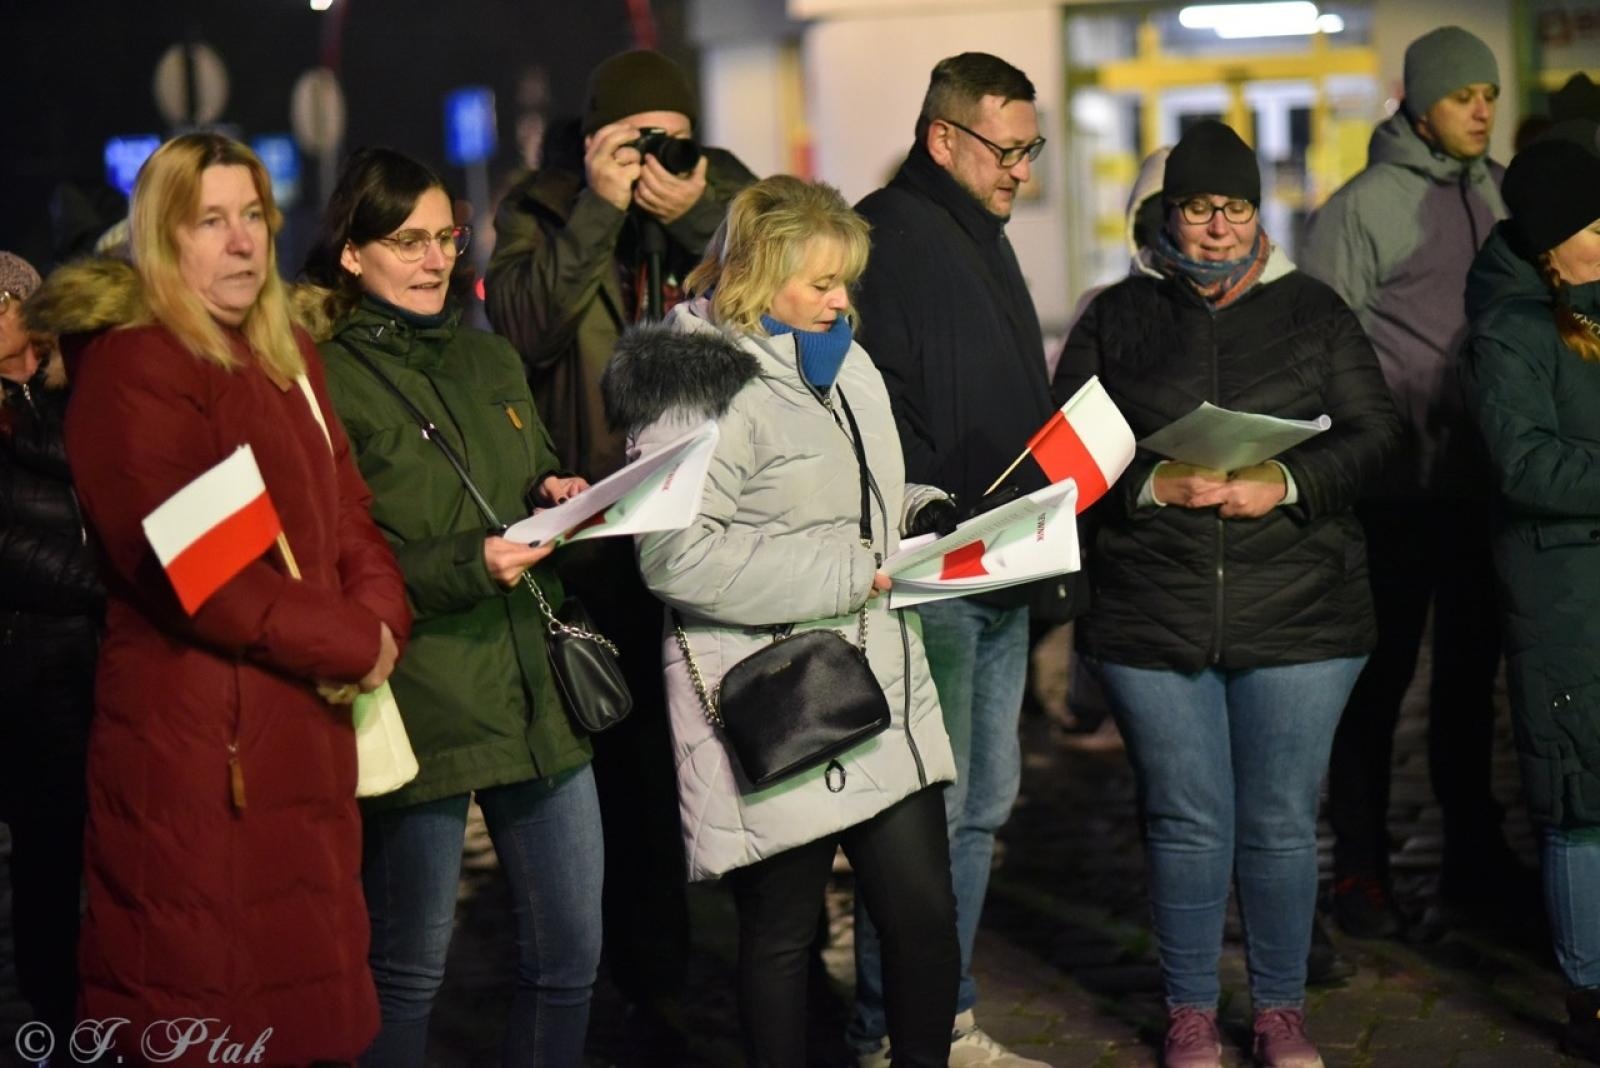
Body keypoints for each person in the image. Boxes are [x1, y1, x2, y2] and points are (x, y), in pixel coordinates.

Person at [24, 132, 412, 1064]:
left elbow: (349, 511)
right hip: (202, 754)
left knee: (305, 1001)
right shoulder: (140, 365)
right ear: (164, 237)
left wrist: (383, 618)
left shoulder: (284, 354)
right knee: (208, 1001)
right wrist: (353, 645)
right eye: (211, 222)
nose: (242, 243)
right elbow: (207, 579)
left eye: (253, 218)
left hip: (302, 736)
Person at [1054, 120, 1400, 1068]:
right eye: (1199, 209)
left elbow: (1376, 434)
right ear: (1167, 213)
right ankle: (1191, 1010)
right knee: (1186, 815)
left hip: (1303, 608)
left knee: (1284, 817)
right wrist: (1147, 486)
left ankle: (1282, 1008)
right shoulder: (1114, 316)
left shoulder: (1317, 312)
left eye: (1235, 208)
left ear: (1259, 212)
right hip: (1151, 612)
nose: (1216, 228)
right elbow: (1063, 455)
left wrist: (1283, 485)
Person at [599, 175, 960, 1068]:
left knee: (924, 921)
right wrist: (851, 569)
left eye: (845, 280)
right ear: (760, 277)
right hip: (781, 690)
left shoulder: (845, 361)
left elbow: (845, 498)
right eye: (822, 283)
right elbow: (674, 557)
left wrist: (920, 515)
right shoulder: (697, 387)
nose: (842, 301)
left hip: (877, 674)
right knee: (781, 937)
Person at [301, 146, 603, 1067]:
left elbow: (520, 478)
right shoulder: (323, 377)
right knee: (406, 970)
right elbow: (336, 554)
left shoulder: (489, 357)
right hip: (422, 690)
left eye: (446, 237)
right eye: (407, 241)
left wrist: (557, 489)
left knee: (572, 956)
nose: (435, 259)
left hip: (534, 684)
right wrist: (466, 563)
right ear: (352, 253)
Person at [485, 50, 756, 1037]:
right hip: (604, 528)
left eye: (666, 135)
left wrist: (690, 214)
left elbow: (765, 294)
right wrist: (598, 211)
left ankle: (778, 949)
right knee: (630, 759)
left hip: (719, 514)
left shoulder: (724, 195)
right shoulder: (545, 209)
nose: (650, 156)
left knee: (751, 732)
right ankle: (649, 975)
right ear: (593, 139)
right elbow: (523, 329)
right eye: (629, 138)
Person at [847, 51, 1068, 1068]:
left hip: (1003, 560)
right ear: (945, 139)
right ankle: (905, 1026)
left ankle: (941, 1015)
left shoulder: (977, 233)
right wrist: (944, 502)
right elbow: (881, 406)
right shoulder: (887, 236)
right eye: (1005, 149)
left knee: (978, 804)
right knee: (934, 811)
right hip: (941, 569)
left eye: (1029, 150)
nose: (1020, 169)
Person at [1300, 25, 1518, 938]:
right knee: (1377, 681)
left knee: (1472, 681)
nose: (1480, 110)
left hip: (1475, 483)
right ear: (1420, 103)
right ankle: (1361, 868)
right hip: (1391, 493)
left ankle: (1473, 853)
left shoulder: (1498, 194)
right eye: (1463, 95)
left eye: (1489, 96)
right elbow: (1322, 345)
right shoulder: (1360, 209)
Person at [1462, 137, 1600, 1065]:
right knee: (1580, 795)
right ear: (1556, 244)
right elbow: (1526, 465)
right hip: (1564, 595)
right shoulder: (1510, 332)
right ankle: (1590, 995)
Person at [0, 251, 100, 1055]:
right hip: (29, 665)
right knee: (44, 854)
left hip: (105, 659)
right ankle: (52, 1020)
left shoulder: (75, 392)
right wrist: (108, 583)